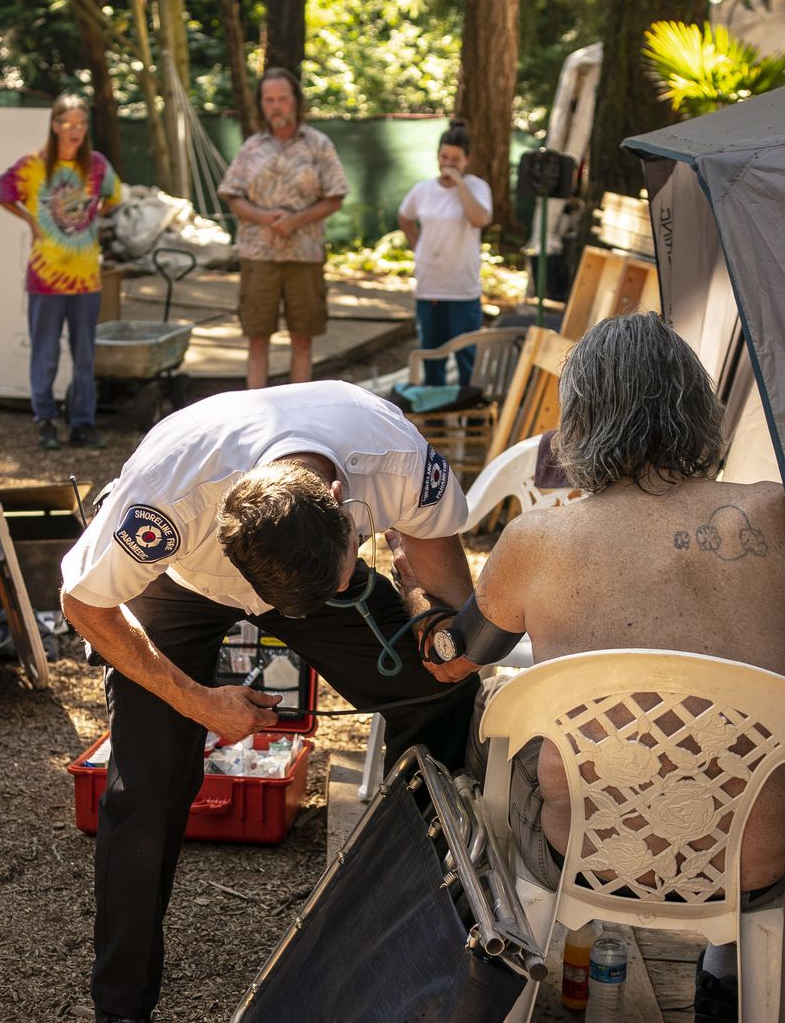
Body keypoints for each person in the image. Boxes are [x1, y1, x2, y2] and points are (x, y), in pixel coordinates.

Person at [393, 313, 785, 1023]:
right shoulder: (779, 516)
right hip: (752, 865)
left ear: (579, 420)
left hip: (592, 858)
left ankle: (522, 955)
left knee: (494, 729)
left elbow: (453, 662)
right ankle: (732, 967)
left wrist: (417, 595)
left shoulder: (536, 538)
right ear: (698, 407)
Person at [59, 381, 482, 1023]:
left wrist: (436, 627)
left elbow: (443, 582)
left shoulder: (394, 457)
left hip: (313, 571)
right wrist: (199, 703)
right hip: (184, 582)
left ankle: (413, 911)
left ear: (344, 507)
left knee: (439, 687)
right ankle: (121, 1006)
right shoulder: (169, 495)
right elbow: (83, 602)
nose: (272, 622)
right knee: (148, 783)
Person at [0, 92, 123, 451]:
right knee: (45, 353)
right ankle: (45, 421)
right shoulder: (35, 164)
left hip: (86, 280)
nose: (75, 130)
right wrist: (30, 219)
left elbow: (115, 196)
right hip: (44, 279)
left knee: (84, 355)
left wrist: (91, 218)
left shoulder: (96, 165)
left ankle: (82, 423)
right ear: (55, 125)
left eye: (81, 124)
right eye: (68, 123)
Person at [217, 68, 349, 389]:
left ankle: (299, 417)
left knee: (302, 338)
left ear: (295, 102)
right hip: (258, 255)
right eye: (269, 100)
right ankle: (256, 417)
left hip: (304, 256)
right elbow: (232, 195)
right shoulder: (251, 148)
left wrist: (296, 220)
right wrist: (265, 217)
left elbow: (336, 196)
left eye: (282, 99)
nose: (276, 106)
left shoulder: (319, 144)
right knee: (257, 338)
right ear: (261, 104)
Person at [397, 119, 493, 387]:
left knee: (467, 359)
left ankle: (472, 419)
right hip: (431, 286)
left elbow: (479, 220)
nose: (448, 163)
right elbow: (404, 217)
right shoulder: (423, 189)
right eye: (443, 156)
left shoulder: (477, 187)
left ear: (467, 159)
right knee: (432, 358)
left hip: (462, 287)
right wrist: (417, 245)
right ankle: (436, 419)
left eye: (455, 158)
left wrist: (460, 183)